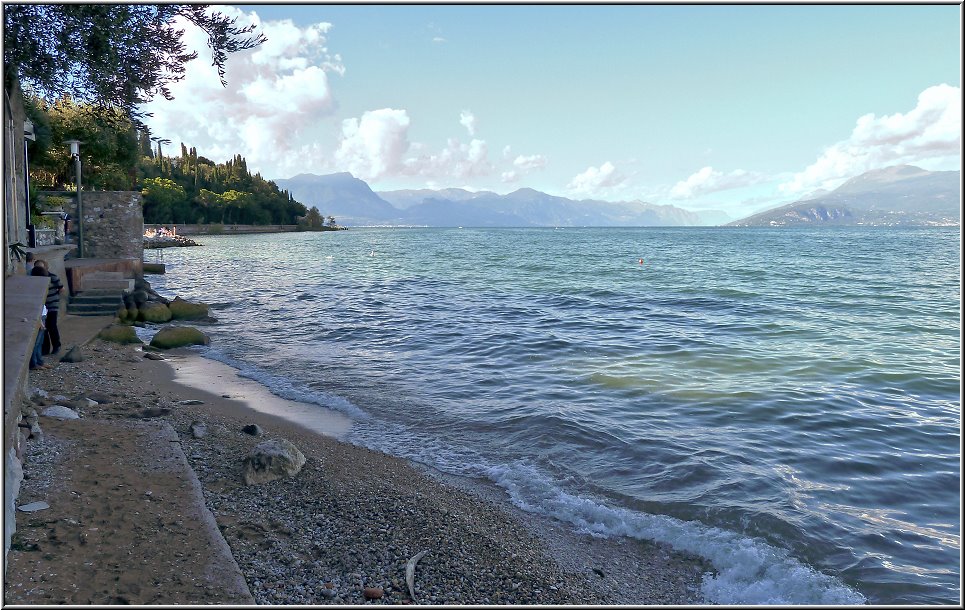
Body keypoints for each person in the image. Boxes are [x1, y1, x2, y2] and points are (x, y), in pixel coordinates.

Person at [31, 262, 64, 355]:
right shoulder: (35, 278)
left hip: (52, 305)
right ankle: (45, 349)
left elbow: (61, 288)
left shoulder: (52, 277)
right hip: (43, 307)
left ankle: (56, 346)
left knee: (52, 326)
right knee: (44, 328)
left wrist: (55, 298)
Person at [29, 303, 50, 370]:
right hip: (40, 317)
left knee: (40, 342)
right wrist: (40, 321)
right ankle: (33, 364)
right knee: (36, 343)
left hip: (43, 315)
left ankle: (39, 362)